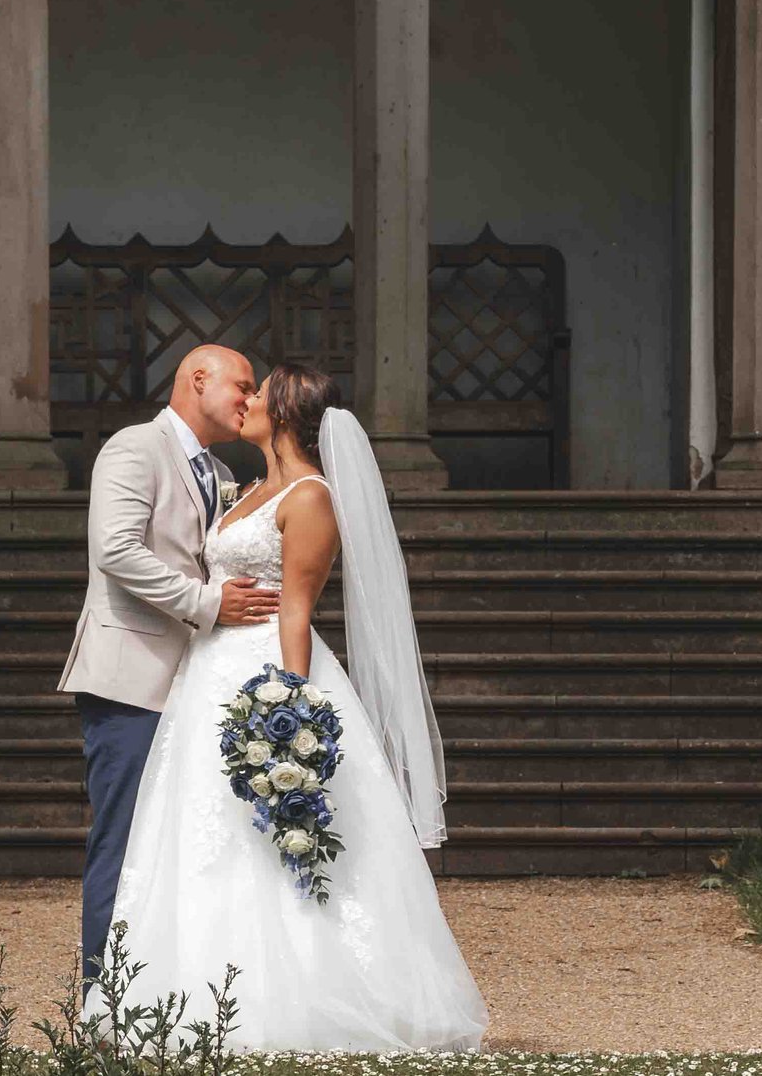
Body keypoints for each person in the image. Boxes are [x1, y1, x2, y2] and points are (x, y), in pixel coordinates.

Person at [94, 362, 489, 1051]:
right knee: (199, 835)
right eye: (243, 387)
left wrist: (291, 705)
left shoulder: (311, 496)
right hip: (204, 676)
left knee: (271, 837)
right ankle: (188, 992)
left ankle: (301, 996)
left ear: (283, 412)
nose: (247, 400)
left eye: (260, 391)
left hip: (263, 674)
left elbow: (296, 611)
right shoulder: (243, 487)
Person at [56, 343, 281, 988]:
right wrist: (208, 604)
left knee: (180, 846)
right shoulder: (134, 448)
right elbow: (116, 550)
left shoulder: (219, 470)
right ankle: (102, 996)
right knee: (123, 837)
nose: (249, 398)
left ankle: (163, 991)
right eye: (242, 385)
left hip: (196, 682)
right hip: (130, 676)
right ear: (198, 378)